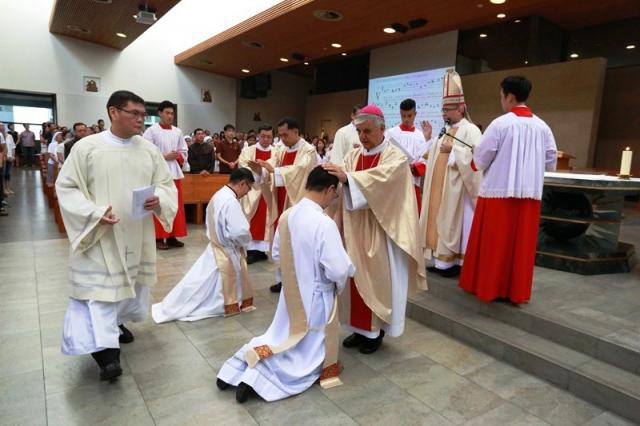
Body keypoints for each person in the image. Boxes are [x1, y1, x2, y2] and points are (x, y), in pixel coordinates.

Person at [56, 90, 177, 381]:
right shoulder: (87, 148)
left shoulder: (148, 150)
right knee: (100, 295)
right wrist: (94, 213)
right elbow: (67, 187)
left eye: (142, 114)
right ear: (113, 112)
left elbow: (165, 183)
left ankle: (116, 324)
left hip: (135, 232)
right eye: (133, 113)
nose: (140, 119)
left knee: (127, 291)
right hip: (101, 234)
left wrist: (159, 199)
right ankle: (106, 354)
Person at [217, 166, 355, 403]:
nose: (335, 198)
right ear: (330, 189)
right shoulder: (324, 223)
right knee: (303, 352)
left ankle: (237, 368)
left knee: (279, 335)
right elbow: (338, 269)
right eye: (336, 193)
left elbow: (278, 254)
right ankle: (257, 378)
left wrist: (297, 273)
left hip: (291, 294)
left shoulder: (288, 215)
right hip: (316, 297)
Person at [323, 104, 427, 355]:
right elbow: (342, 186)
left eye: (367, 131)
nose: (362, 137)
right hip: (352, 227)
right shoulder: (352, 156)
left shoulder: (395, 157)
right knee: (352, 280)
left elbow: (385, 182)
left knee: (376, 281)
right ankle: (358, 329)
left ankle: (375, 331)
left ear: (382, 129)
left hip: (380, 230)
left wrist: (348, 179)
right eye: (359, 132)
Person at [459, 76, 557, 304]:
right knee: (520, 247)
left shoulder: (501, 124)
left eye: (501, 95)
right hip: (529, 197)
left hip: (498, 195)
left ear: (510, 96)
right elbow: (551, 160)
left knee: (495, 245)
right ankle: (516, 292)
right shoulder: (543, 127)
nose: (501, 100)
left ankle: (489, 288)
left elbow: (480, 159)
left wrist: (474, 157)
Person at [152, 168, 256, 322]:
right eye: (249, 188)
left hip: (215, 246)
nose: (248, 192)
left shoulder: (220, 194)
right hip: (226, 250)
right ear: (242, 183)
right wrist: (246, 241)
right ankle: (220, 305)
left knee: (199, 282)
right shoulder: (231, 202)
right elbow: (239, 231)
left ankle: (175, 304)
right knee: (208, 287)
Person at [419, 70, 482, 278]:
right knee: (437, 218)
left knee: (453, 222)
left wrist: (454, 151)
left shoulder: (471, 129)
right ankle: (439, 260)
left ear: (460, 108)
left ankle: (453, 261)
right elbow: (434, 152)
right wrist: (430, 142)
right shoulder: (444, 129)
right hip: (439, 184)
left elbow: (477, 158)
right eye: (443, 109)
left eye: (447, 110)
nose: (443, 114)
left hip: (457, 190)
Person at [246, 117, 317, 293]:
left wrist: (275, 171)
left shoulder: (309, 151)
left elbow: (301, 171)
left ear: (296, 132)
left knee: (296, 242)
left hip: (297, 202)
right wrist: (260, 169)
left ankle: (298, 280)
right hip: (280, 201)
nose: (282, 139)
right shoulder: (282, 150)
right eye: (281, 135)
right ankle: (282, 279)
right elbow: (271, 162)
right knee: (281, 241)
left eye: (285, 135)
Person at [143, 101, 189, 250]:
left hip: (174, 173)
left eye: (172, 113)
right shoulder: (151, 131)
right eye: (167, 113)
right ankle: (157, 237)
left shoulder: (177, 131)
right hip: (158, 175)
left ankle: (171, 237)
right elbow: (145, 152)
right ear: (160, 113)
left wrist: (178, 156)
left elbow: (184, 150)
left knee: (174, 205)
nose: (170, 116)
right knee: (159, 204)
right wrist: (164, 156)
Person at [385, 98, 431, 213]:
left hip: (413, 183)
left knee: (413, 218)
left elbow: (425, 160)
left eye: (409, 116)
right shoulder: (391, 133)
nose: (406, 119)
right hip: (394, 183)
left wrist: (414, 168)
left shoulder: (421, 136)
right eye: (403, 116)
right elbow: (385, 156)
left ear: (415, 114)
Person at [238, 124, 274, 264]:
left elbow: (277, 168)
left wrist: (264, 172)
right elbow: (243, 165)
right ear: (258, 135)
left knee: (267, 219)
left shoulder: (276, 152)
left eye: (269, 137)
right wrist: (257, 172)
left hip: (269, 190)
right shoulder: (248, 150)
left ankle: (261, 251)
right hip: (252, 189)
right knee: (253, 218)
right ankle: (251, 250)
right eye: (263, 136)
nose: (266, 139)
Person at [0, 123, 15, 195]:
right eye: (1, 126)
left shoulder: (10, 136)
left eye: (3, 126)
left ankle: (8, 188)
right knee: (2, 174)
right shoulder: (0, 136)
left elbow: (13, 147)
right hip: (2, 158)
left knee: (8, 174)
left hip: (10, 157)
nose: (2, 127)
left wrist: (13, 156)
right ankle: (3, 190)